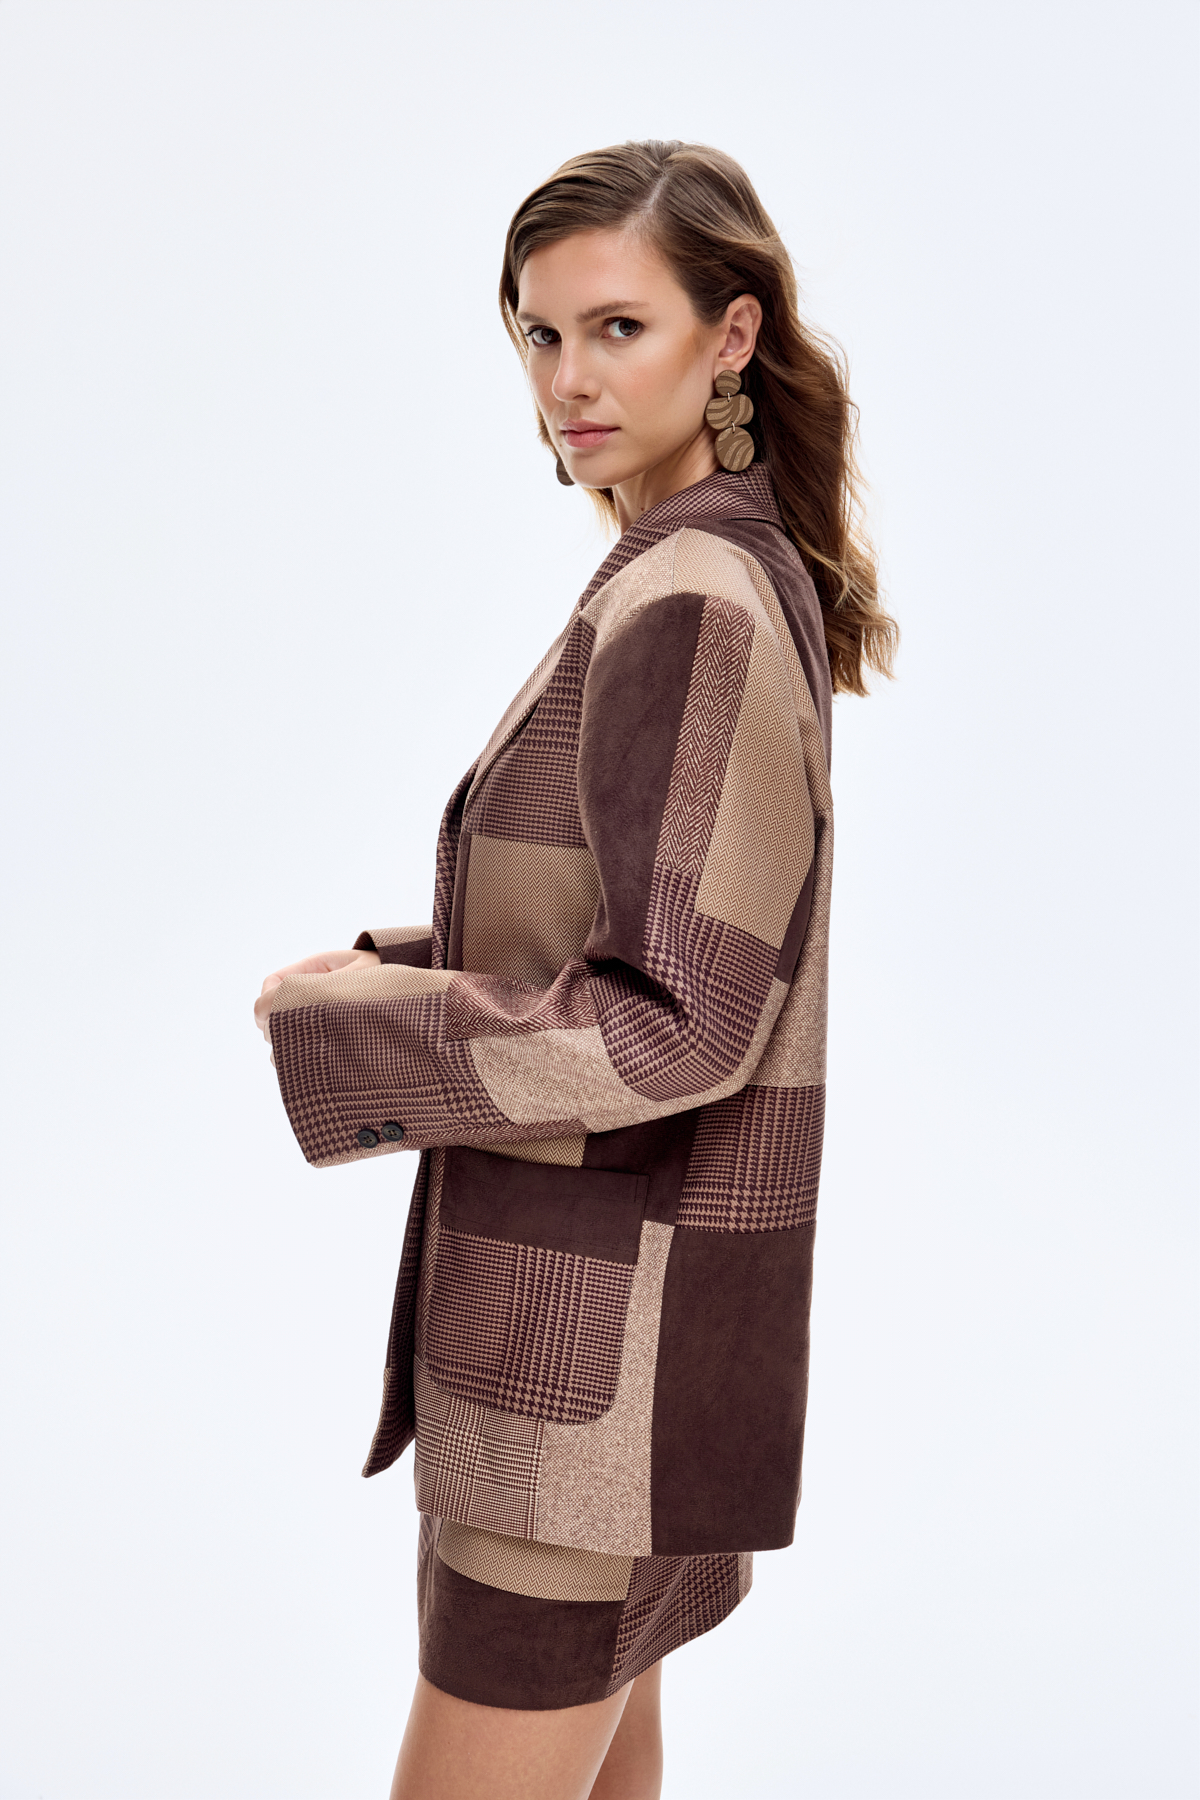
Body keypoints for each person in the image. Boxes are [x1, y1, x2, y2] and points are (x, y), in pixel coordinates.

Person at [254, 139, 896, 1800]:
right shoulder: (714, 568)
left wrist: (367, 1030)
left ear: (731, 336)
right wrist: (399, 959)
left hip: (581, 1378)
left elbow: (678, 1023)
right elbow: (660, 927)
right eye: (540, 334)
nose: (568, 381)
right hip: (629, 1359)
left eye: (619, 328)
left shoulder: (690, 598)